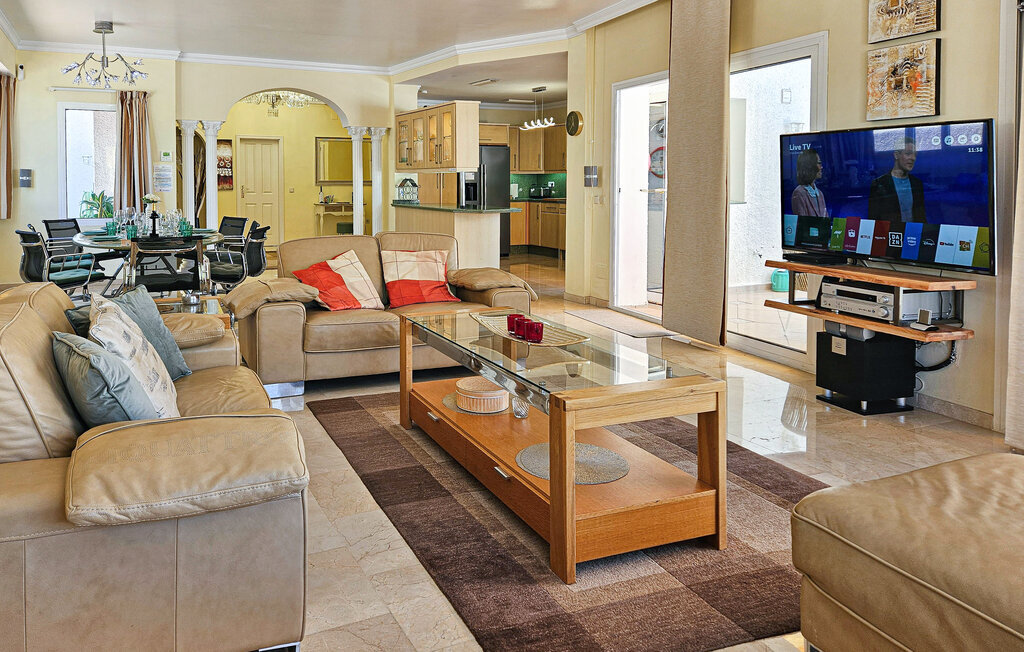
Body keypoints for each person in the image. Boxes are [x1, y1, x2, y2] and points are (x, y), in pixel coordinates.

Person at [868, 136, 926, 223]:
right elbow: (873, 219)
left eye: (915, 155)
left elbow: (921, 216)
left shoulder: (917, 184)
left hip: (913, 231)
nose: (913, 158)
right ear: (896, 155)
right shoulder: (879, 184)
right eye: (908, 154)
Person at [790, 149, 828, 216]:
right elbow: (801, 221)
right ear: (810, 166)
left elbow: (825, 219)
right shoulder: (799, 193)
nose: (821, 167)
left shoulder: (820, 194)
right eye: (819, 163)